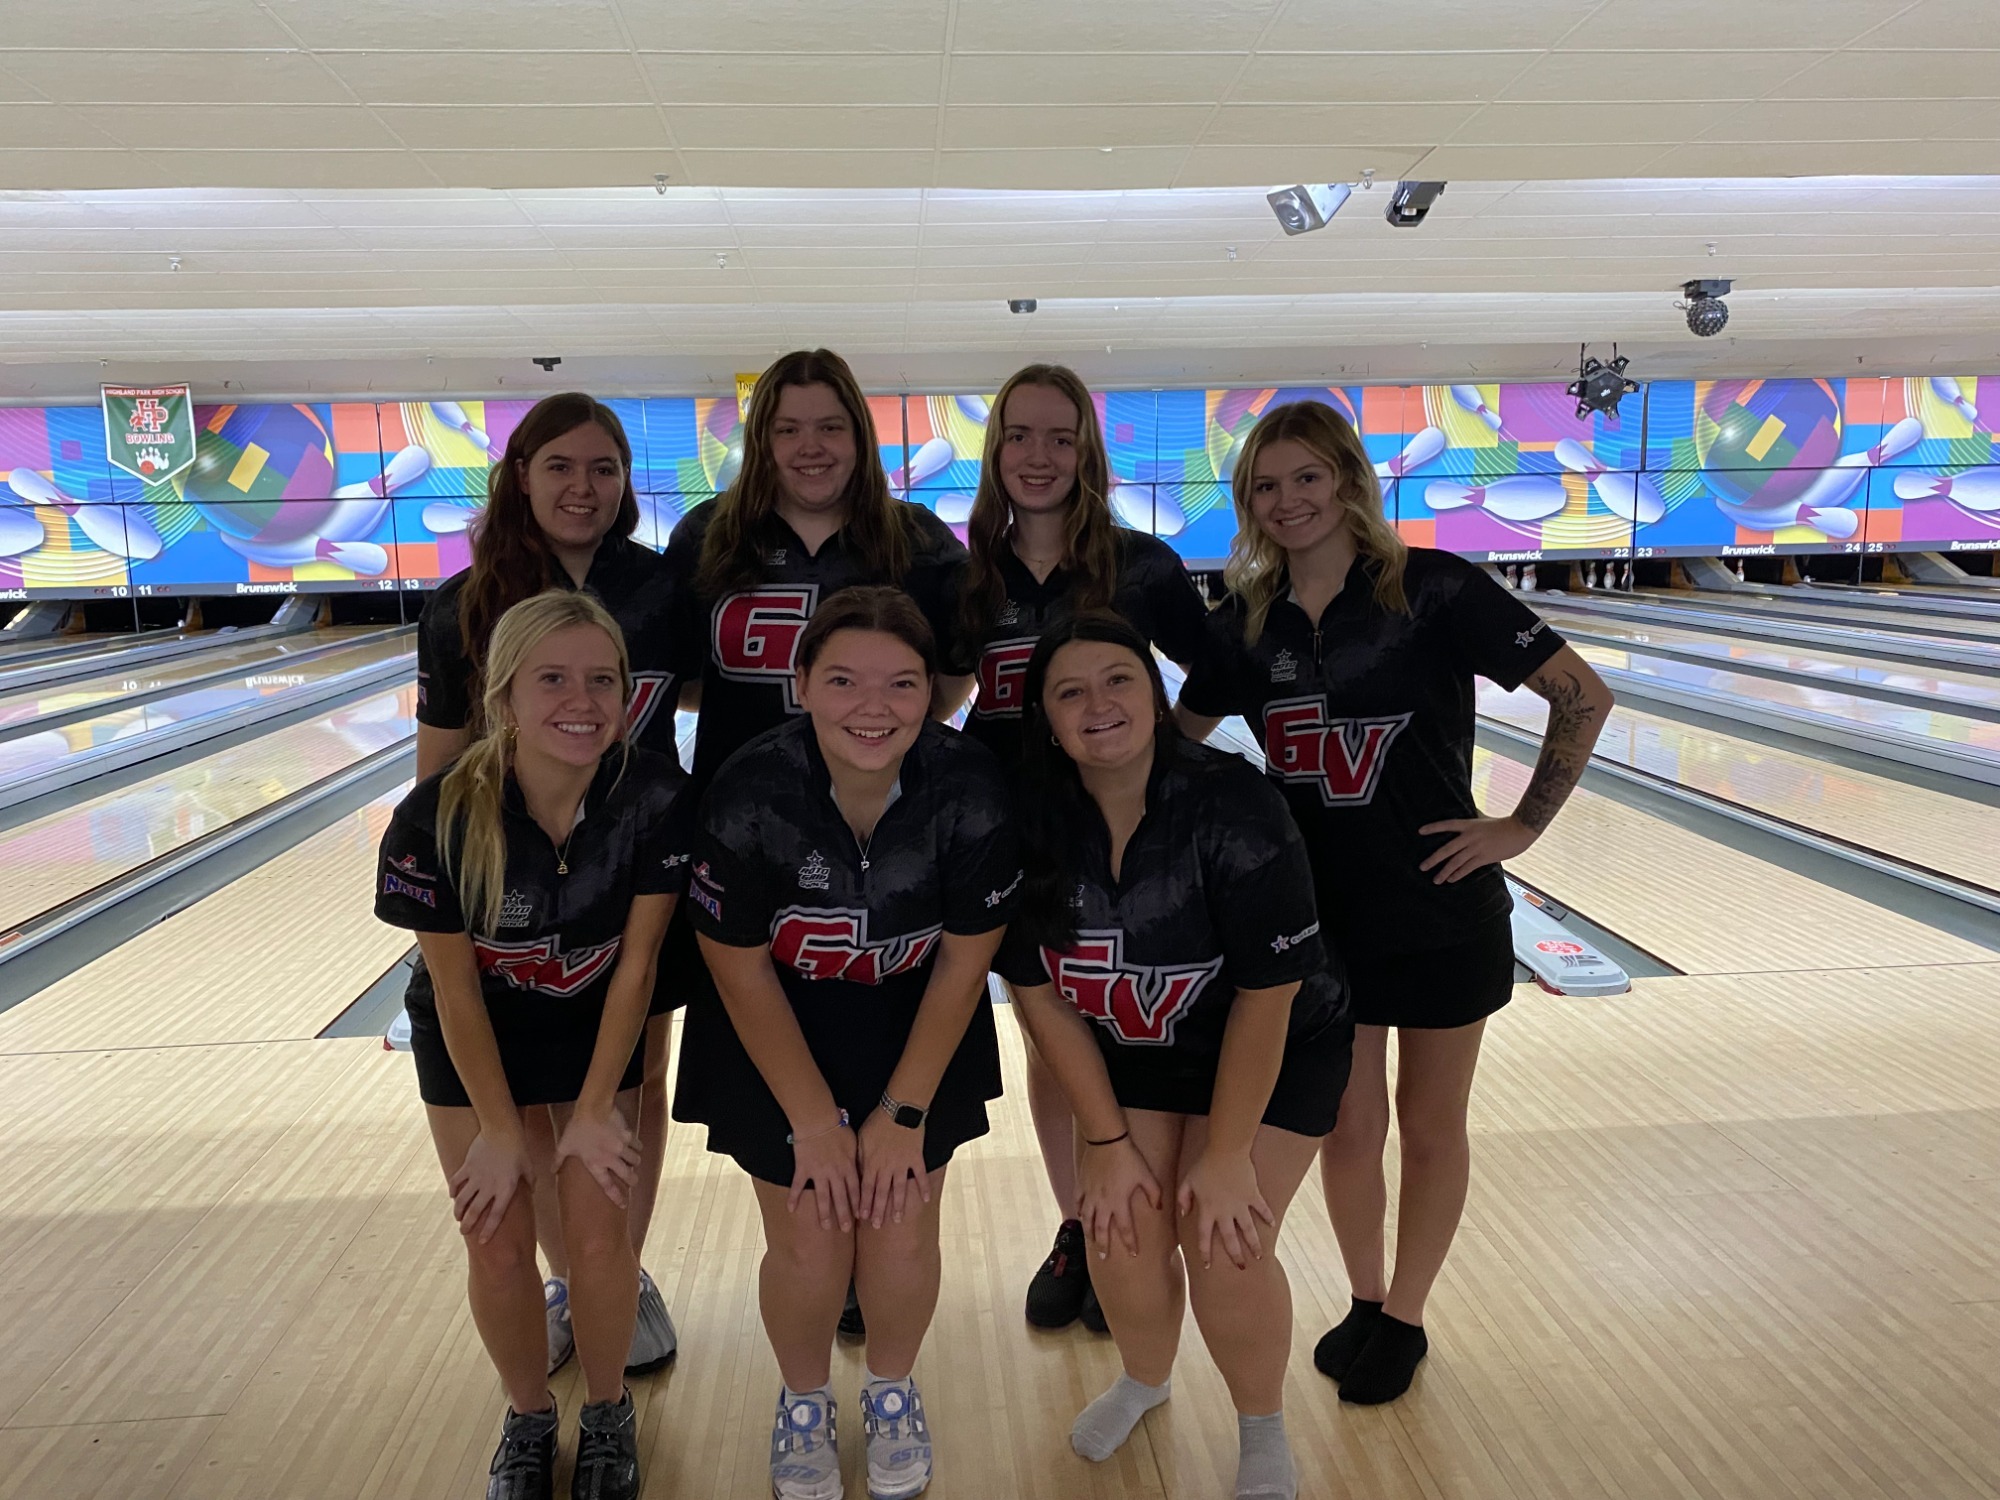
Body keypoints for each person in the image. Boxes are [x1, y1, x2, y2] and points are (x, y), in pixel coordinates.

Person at [1177, 400, 1613, 1405]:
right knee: (1343, 1124)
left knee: (1428, 1125)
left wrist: (1519, 828)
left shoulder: (1433, 588)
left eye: (1304, 478)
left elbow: (1581, 693)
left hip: (1439, 908)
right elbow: (1176, 746)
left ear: (1345, 483)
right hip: (1316, 921)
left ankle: (1407, 1313)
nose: (1285, 501)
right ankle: (1365, 1298)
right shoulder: (1246, 621)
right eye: (1264, 485)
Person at [672, 587, 1018, 1500]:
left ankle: (894, 1390)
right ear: (801, 686)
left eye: (903, 684)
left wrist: (902, 1114)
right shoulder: (750, 789)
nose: (875, 707)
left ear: (931, 693)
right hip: (776, 1025)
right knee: (811, 1239)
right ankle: (804, 1400)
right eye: (845, 681)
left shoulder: (970, 784)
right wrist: (814, 1123)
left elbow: (962, 965)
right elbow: (738, 969)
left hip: (916, 1020)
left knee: (901, 1226)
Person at [997, 612, 1349, 1500]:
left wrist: (1226, 1155)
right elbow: (1040, 1000)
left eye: (1118, 680)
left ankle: (1261, 1426)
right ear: (1044, 716)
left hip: (1277, 1042)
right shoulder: (1031, 822)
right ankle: (1145, 1382)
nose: (1098, 704)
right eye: (1069, 691)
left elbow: (1268, 999)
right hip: (1134, 1051)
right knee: (1116, 1237)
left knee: (1225, 1241)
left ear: (1155, 698)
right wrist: (1106, 1146)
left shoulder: (1237, 806)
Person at [662, 348, 971, 1342]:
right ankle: (821, 1273)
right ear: (760, 441)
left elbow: (949, 673)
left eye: (828, 426)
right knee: (781, 1088)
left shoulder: (915, 541)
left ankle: (865, 1295)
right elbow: (675, 678)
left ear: (859, 437)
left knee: (888, 1074)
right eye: (787, 428)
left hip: (892, 857)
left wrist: (885, 746)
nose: (807, 446)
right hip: (748, 860)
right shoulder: (706, 538)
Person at [376, 590, 694, 1500]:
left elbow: (637, 971)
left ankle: (606, 1414)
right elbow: (455, 986)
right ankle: (526, 1416)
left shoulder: (654, 799)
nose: (582, 699)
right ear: (504, 694)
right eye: (553, 679)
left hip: (597, 1028)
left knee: (599, 1241)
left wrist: (595, 1108)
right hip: (476, 1041)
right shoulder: (434, 817)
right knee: (499, 1240)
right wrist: (501, 1128)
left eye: (603, 680)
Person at [414, 391, 685, 1380]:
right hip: (503, 887)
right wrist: (438, 896)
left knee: (627, 1083)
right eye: (560, 466)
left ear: (624, 486)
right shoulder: (463, 603)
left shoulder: (661, 590)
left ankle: (616, 1264)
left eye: (604, 469)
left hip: (631, 875)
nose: (583, 486)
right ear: (519, 476)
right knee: (525, 1104)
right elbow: (439, 765)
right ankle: (565, 1275)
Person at [950, 365, 1215, 1334]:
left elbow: (1219, 669)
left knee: (1131, 1028)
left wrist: (1170, 755)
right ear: (995, 452)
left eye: (1059, 438)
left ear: (1086, 453)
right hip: (1021, 844)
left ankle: (1131, 1228)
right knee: (1048, 1036)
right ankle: (1077, 1226)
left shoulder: (1139, 567)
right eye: (1019, 436)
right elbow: (936, 700)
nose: (1037, 456)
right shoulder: (966, 575)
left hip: (1133, 843)